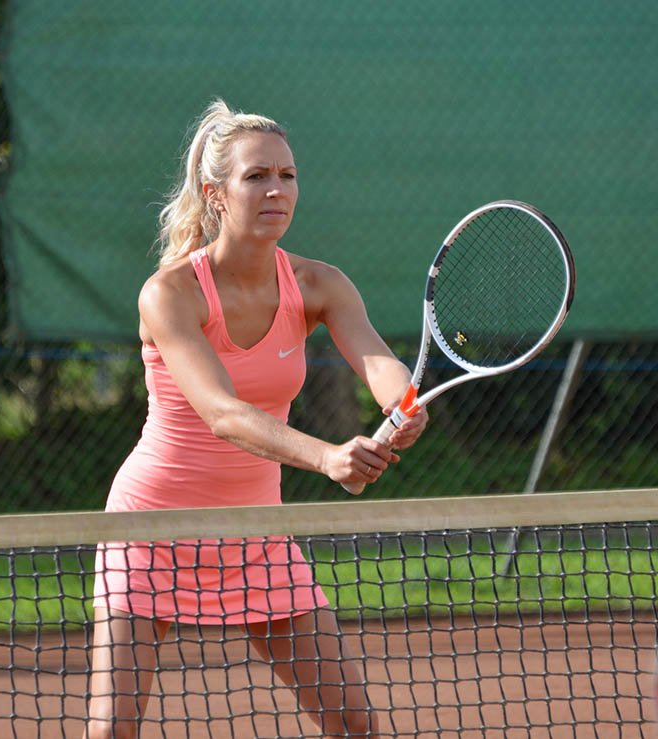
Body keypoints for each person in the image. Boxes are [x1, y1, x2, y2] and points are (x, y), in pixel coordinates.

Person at [85, 99, 428, 739]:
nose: (277, 189)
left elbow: (378, 360)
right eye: (257, 176)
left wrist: (402, 403)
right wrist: (327, 457)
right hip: (150, 529)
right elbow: (222, 412)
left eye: (287, 175)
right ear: (216, 195)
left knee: (356, 725)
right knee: (112, 731)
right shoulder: (170, 294)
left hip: (257, 537)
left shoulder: (319, 284)